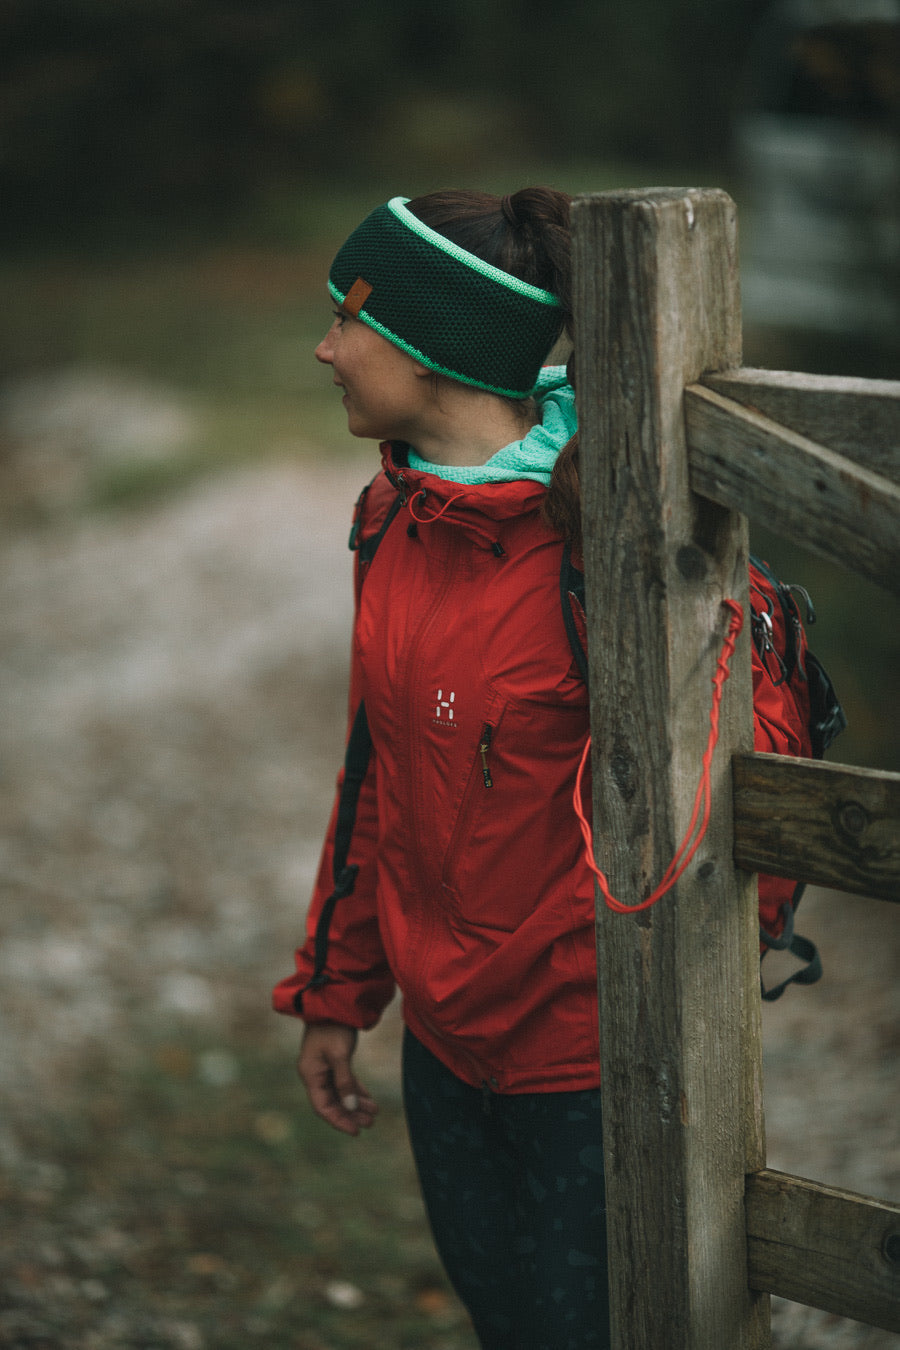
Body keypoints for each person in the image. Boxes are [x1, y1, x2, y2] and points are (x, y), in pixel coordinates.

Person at [272, 189, 809, 1349]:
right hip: (442, 1049)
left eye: (345, 320)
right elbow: (377, 774)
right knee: (510, 1326)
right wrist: (337, 989)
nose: (323, 348)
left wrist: (695, 1004)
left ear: (433, 347)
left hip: (588, 1066)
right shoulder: (393, 515)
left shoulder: (610, 542)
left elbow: (744, 795)